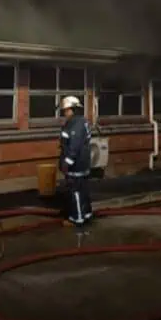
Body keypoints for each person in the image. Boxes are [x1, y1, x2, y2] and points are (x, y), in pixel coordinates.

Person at [58, 95, 93, 227]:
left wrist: (67, 162)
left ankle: (77, 218)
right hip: (83, 162)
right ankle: (87, 213)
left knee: (75, 191)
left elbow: (74, 146)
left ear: (72, 110)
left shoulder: (75, 124)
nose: (65, 113)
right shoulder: (81, 121)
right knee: (84, 190)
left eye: (66, 110)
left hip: (76, 164)